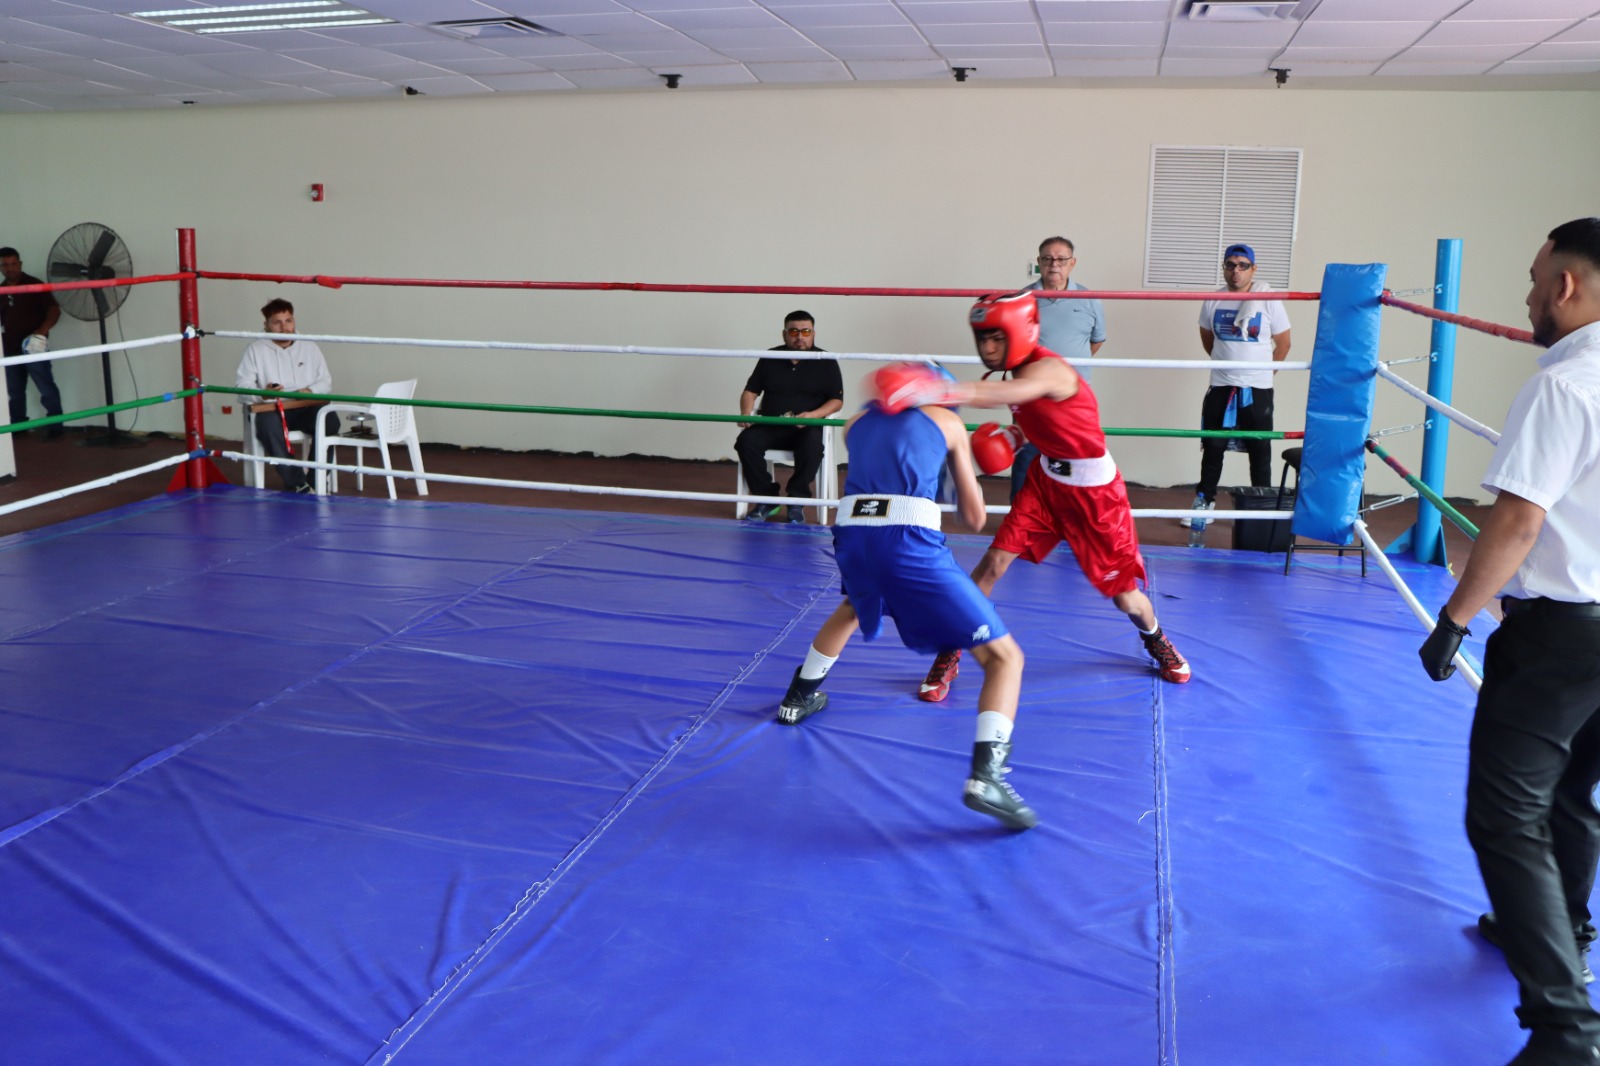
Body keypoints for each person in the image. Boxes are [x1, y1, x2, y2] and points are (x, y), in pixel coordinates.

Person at [1419, 217, 1600, 1066]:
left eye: (1534, 280)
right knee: (1570, 790)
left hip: (1563, 635)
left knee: (1505, 813)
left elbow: (1520, 519)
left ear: (1566, 284)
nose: (1527, 298)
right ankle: (1566, 925)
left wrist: (1454, 618)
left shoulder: (1564, 385)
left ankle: (1565, 1028)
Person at [885, 290, 1190, 703]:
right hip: (1045, 484)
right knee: (991, 565)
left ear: (1020, 333)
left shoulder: (1050, 370)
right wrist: (1016, 435)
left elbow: (1003, 396)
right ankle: (950, 652)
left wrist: (932, 388)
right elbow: (1047, 417)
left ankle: (1156, 639)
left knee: (1125, 597)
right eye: (982, 338)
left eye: (997, 338)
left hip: (1095, 496)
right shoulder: (1015, 374)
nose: (987, 349)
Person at [773, 367, 1036, 830]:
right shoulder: (947, 422)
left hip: (852, 537)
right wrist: (968, 460)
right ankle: (988, 779)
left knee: (853, 607)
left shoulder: (855, 424)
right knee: (1005, 658)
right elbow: (974, 518)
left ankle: (797, 698)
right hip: (907, 541)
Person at [1187, 243, 1292, 532]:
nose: (1236, 270)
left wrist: (1262, 374)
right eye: (1231, 265)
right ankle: (1204, 503)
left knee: (1260, 449)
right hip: (1222, 384)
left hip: (1258, 388)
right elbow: (1208, 339)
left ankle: (1261, 510)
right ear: (1224, 268)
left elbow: (1284, 344)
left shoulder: (1268, 300)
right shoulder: (1214, 299)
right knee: (1213, 445)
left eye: (1243, 265)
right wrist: (1228, 366)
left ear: (1253, 269)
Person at [1013, 236, 1107, 500]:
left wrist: (1064, 373)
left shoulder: (1089, 299)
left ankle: (1068, 515)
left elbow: (1097, 341)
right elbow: (1013, 346)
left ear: (1072, 263)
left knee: (1075, 461)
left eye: (1061, 259)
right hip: (1033, 395)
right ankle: (1020, 513)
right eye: (1048, 259)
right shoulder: (1022, 299)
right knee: (1027, 457)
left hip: (1075, 398)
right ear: (1039, 262)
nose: (1054, 265)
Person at [736, 311, 844, 524]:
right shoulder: (771, 357)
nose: (800, 337)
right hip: (771, 424)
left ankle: (796, 501)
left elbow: (836, 401)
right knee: (746, 441)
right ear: (784, 334)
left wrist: (812, 416)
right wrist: (746, 412)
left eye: (806, 331)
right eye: (794, 332)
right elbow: (750, 391)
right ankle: (766, 499)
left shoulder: (826, 360)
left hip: (806, 428)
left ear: (813, 333)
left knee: (812, 446)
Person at [235, 298, 337, 493]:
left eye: (288, 321)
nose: (284, 328)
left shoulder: (309, 346)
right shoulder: (255, 349)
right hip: (272, 409)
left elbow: (326, 381)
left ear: (294, 320)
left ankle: (316, 480)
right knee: (267, 425)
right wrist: (264, 394)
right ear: (266, 325)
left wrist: (310, 391)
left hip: (305, 407)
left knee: (329, 419)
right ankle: (297, 483)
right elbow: (241, 388)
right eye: (277, 322)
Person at [1, 247, 65, 438]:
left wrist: (40, 333)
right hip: (9, 348)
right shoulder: (1, 290)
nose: (10, 268)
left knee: (46, 387)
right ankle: (18, 427)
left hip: (33, 346)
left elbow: (54, 310)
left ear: (20, 264)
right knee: (14, 392)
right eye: (5, 265)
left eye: (13, 264)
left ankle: (55, 427)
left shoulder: (34, 284)